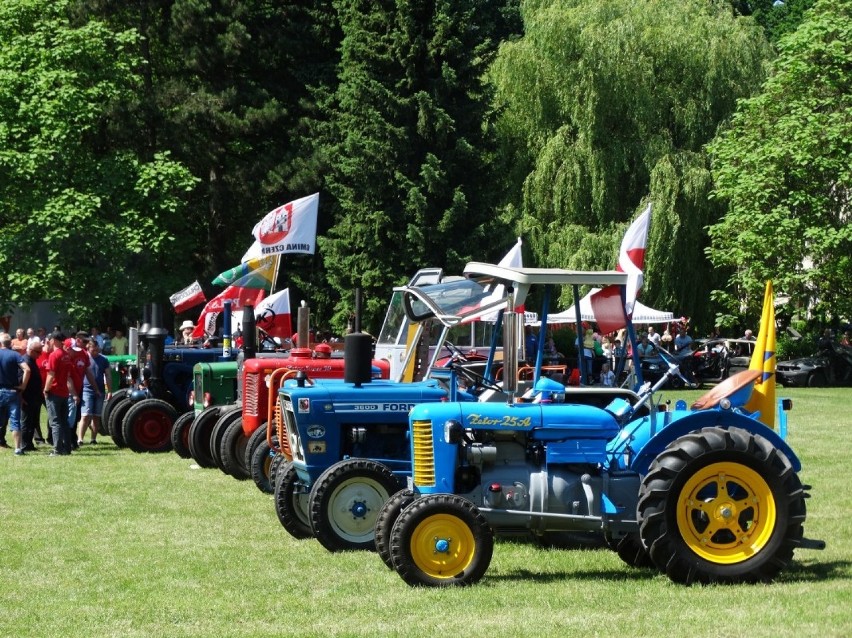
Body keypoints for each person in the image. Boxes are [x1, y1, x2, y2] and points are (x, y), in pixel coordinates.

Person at [43, 331, 77, 456]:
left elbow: (51, 374)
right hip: (64, 392)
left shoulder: (54, 355)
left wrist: (46, 389)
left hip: (55, 391)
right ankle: (67, 448)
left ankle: (57, 449)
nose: (50, 342)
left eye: (51, 340)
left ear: (55, 340)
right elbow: (67, 375)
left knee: (55, 422)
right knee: (64, 422)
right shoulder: (66, 355)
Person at [0, 332, 31, 455]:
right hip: (12, 391)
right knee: (15, 420)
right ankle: (18, 448)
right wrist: (22, 386)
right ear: (10, 343)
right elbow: (27, 369)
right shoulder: (15, 355)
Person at [78, 338, 111, 445]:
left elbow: (108, 375)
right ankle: (80, 439)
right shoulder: (84, 358)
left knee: (97, 416)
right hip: (86, 389)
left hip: (100, 391)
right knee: (86, 415)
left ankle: (93, 439)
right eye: (93, 350)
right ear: (88, 348)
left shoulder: (104, 359)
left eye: (97, 350)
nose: (96, 352)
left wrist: (109, 390)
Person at [20, 337, 45, 451]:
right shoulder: (24, 362)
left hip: (35, 398)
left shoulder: (32, 361)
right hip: (27, 398)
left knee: (33, 422)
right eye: (38, 352)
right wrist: (20, 396)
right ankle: (24, 444)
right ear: (31, 350)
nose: (40, 355)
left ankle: (29, 444)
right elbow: (19, 380)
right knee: (26, 422)